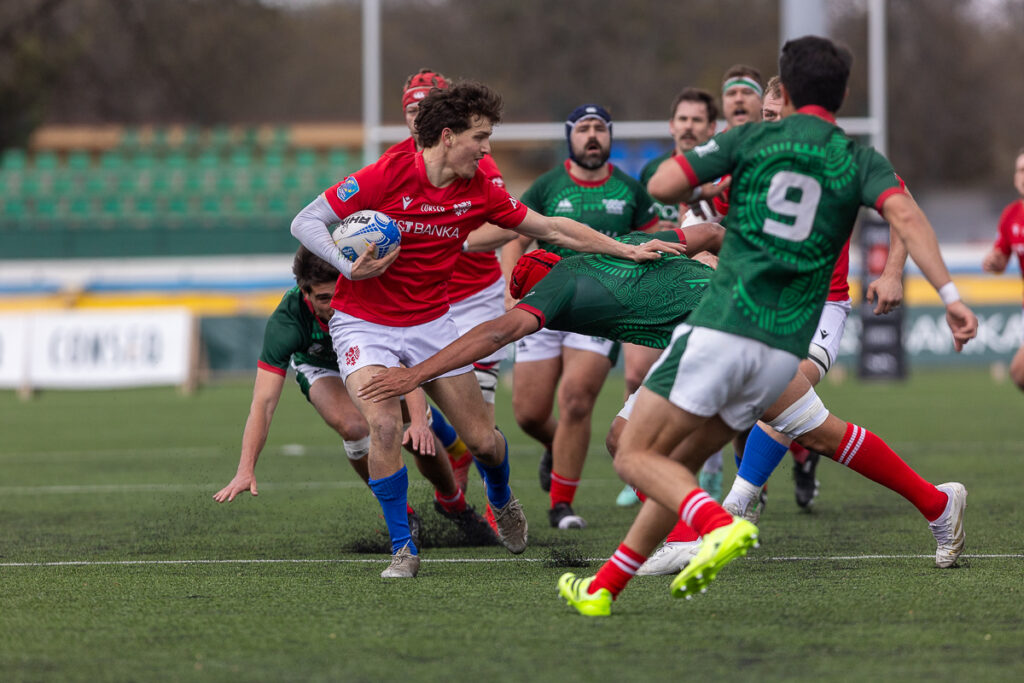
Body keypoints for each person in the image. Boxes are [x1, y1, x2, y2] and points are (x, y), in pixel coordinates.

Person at [556, 35, 978, 617]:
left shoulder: (751, 141)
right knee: (719, 447)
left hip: (730, 321)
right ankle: (611, 583)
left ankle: (717, 523)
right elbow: (905, 212)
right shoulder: (856, 159)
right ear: (845, 93)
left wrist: (718, 158)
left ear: (785, 92)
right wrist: (950, 295)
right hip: (780, 339)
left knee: (630, 448)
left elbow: (661, 186)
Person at [289, 81, 683, 578]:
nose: (487, 148)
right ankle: (403, 548)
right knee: (384, 425)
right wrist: (345, 266)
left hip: (433, 323)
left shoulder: (481, 190)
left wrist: (628, 249)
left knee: (483, 442)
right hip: (363, 324)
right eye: (480, 137)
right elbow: (307, 222)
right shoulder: (386, 174)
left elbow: (553, 228)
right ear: (449, 137)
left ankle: (501, 496)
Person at [212, 247, 494, 546]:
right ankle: (401, 513)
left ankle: (453, 503)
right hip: (323, 368)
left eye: (338, 293)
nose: (334, 305)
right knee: (354, 427)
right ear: (304, 292)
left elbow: (405, 364)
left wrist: (420, 423)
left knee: (417, 438)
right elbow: (264, 403)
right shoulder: (287, 321)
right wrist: (246, 469)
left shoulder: (369, 295)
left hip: (373, 359)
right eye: (323, 298)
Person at [499, 103, 658, 530]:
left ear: (610, 136)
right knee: (529, 413)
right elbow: (514, 237)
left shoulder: (630, 190)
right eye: (584, 128)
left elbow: (656, 235)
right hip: (546, 299)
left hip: (601, 306)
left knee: (574, 399)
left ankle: (561, 505)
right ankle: (559, 446)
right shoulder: (547, 185)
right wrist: (511, 288)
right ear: (569, 136)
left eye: (600, 129)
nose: (592, 136)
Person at [391, 69, 513, 497]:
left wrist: (446, 236)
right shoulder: (394, 163)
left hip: (475, 296)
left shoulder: (475, 157)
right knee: (402, 400)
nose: (415, 117)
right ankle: (456, 456)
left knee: (479, 418)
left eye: (423, 108)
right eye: (410, 109)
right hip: (420, 304)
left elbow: (508, 226)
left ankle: (495, 497)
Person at [614, 87, 723, 510]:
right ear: (671, 125)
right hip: (659, 279)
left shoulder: (723, 167)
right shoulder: (655, 172)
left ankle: (711, 470)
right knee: (637, 373)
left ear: (710, 128)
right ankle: (640, 459)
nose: (689, 126)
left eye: (698, 120)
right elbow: (643, 225)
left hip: (707, 284)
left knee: (709, 382)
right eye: (683, 119)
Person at [982, 146, 1024, 391]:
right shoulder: (1011, 216)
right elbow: (1001, 257)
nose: (1023, 175)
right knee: (1019, 374)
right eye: (1020, 170)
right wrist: (994, 261)